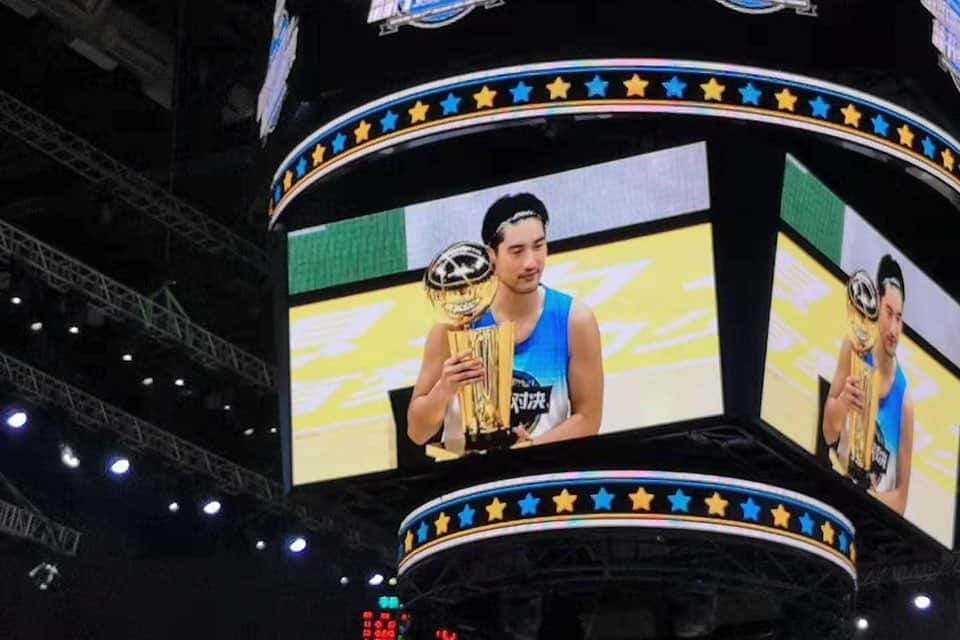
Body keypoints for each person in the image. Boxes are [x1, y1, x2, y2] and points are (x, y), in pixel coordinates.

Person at [407, 193, 604, 450]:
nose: (531, 262)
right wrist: (444, 389)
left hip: (540, 475)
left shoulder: (575, 321)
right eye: (517, 251)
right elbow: (417, 432)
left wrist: (528, 449)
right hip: (467, 480)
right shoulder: (453, 328)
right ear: (491, 256)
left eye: (539, 245)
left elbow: (589, 419)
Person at [822, 254, 914, 514]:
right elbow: (829, 433)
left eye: (899, 317)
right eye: (888, 313)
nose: (894, 328)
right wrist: (841, 405)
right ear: (876, 307)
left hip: (870, 519)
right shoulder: (854, 347)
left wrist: (869, 495)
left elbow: (901, 501)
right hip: (832, 493)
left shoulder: (905, 401)